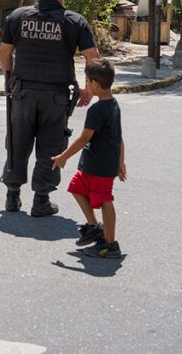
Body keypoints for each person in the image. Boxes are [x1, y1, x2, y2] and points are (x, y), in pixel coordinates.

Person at [0, 0, 100, 217]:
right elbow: (93, 57)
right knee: (51, 146)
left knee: (17, 141)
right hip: (55, 96)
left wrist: (8, 78)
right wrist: (89, 88)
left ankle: (12, 196)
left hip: (22, 92)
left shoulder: (18, 16)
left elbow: (4, 53)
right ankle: (41, 200)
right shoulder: (74, 21)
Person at [51, 59, 126, 259]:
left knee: (104, 200)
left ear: (93, 83)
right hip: (94, 163)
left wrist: (63, 157)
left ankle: (110, 244)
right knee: (76, 187)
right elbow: (119, 136)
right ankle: (94, 226)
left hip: (101, 165)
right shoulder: (112, 103)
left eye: (86, 81)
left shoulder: (98, 109)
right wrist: (121, 161)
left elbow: (85, 137)